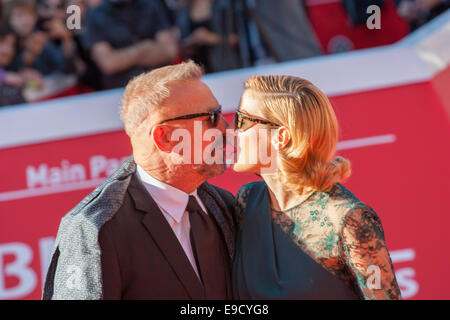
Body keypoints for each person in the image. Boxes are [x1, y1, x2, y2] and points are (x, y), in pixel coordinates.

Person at [42, 61, 236, 299]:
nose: (226, 128)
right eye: (212, 117)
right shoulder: (95, 228)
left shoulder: (223, 207)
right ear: (165, 137)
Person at [230, 75, 402, 300]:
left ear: (280, 137)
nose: (232, 130)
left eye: (242, 120)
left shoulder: (348, 219)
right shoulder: (247, 200)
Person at [82, 0, 179, 89]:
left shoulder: (151, 5)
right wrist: (143, 50)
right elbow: (108, 63)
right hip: (122, 92)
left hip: (162, 87)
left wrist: (124, 58)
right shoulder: (95, 15)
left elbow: (170, 51)